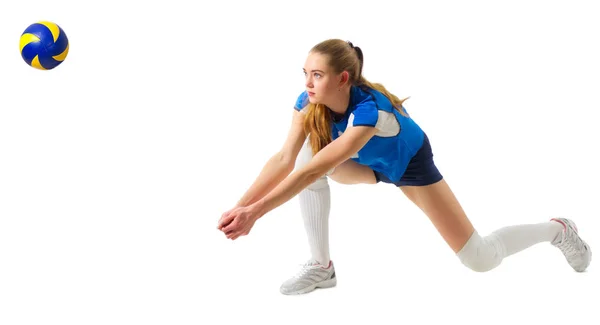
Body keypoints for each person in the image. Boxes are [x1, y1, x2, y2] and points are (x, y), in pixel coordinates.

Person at [216, 39, 592, 295]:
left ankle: (557, 230)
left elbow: (316, 170)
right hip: (365, 165)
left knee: (480, 258)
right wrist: (242, 206)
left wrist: (257, 213)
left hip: (408, 165)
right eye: (305, 73)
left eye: (317, 75)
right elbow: (283, 160)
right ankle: (322, 266)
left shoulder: (371, 112)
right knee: (301, 158)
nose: (308, 83)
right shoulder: (308, 101)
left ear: (342, 78)